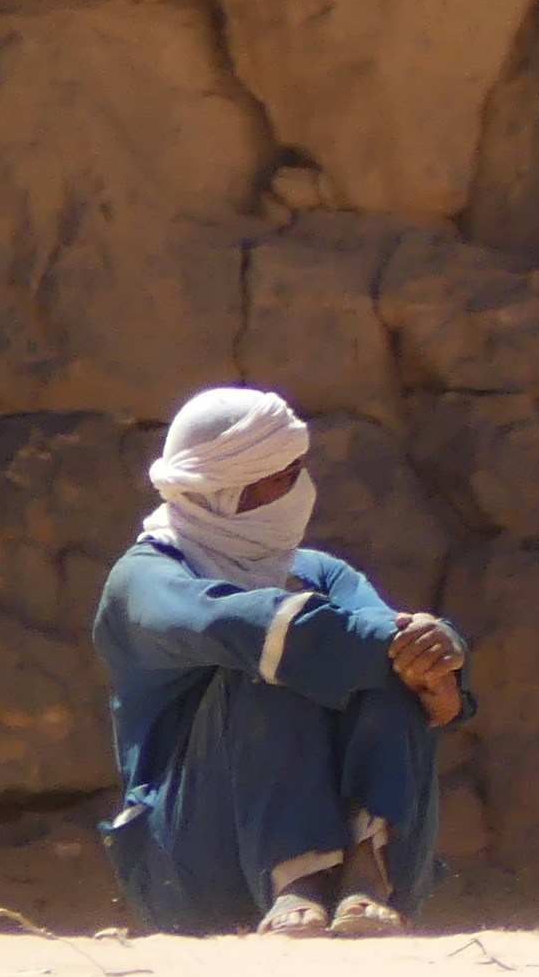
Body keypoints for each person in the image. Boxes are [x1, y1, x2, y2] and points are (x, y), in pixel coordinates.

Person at [90, 387, 471, 936]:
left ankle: (369, 871)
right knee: (274, 650)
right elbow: (250, 627)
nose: (300, 489)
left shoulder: (321, 572)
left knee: (378, 660)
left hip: (366, 879)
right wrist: (393, 642)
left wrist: (436, 654)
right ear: (226, 494)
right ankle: (296, 881)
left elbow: (386, 638)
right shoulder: (144, 581)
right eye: (281, 476)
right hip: (191, 865)